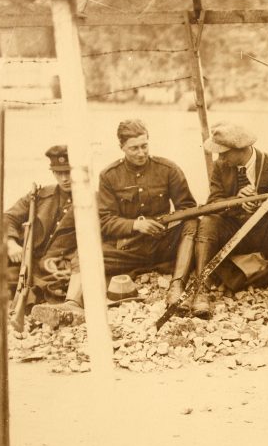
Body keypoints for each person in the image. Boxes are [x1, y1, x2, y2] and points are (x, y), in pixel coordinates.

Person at [60, 120, 198, 312]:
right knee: (85, 255)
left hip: (164, 245)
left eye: (144, 146)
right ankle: (71, 304)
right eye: (134, 148)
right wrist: (136, 225)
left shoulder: (168, 170)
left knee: (192, 223)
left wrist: (168, 223)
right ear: (122, 147)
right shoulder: (109, 176)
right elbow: (105, 220)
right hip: (129, 248)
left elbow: (188, 208)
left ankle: (177, 286)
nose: (141, 153)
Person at [191, 122, 268, 319]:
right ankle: (201, 289)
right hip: (236, 234)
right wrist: (237, 201)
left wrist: (264, 205)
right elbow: (213, 202)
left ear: (241, 149)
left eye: (224, 153)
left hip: (266, 233)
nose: (220, 157)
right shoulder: (221, 167)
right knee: (207, 222)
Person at [3, 144, 77, 303]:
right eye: (59, 173)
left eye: (68, 172)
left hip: (53, 267)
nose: (64, 178)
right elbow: (7, 218)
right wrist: (10, 243)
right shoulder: (39, 196)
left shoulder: (88, 203)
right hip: (25, 261)